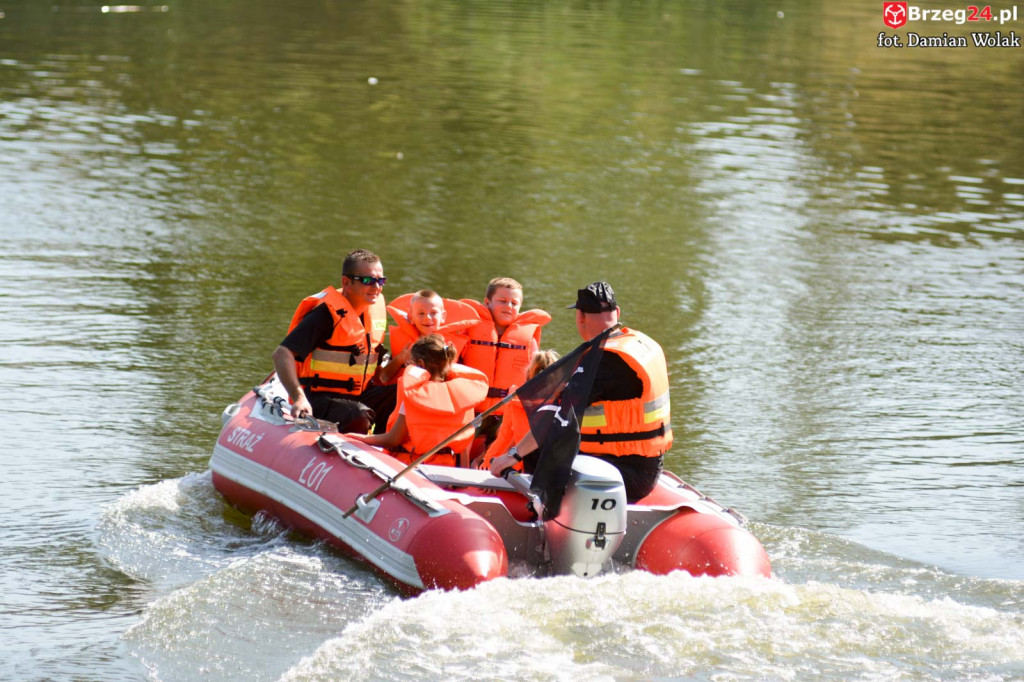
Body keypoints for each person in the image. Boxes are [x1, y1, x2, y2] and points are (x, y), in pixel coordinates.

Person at [491, 281, 672, 503]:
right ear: (617, 312)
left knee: (536, 450)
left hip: (625, 473)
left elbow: (557, 418)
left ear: (581, 318)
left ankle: (540, 516)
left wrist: (513, 455)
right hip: (649, 465)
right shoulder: (639, 342)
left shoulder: (603, 361)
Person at [271, 248, 395, 433]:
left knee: (402, 394)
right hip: (319, 399)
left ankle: (387, 445)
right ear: (346, 282)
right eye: (368, 280)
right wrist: (298, 398)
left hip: (358, 395)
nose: (376, 287)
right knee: (358, 415)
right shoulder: (326, 315)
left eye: (380, 280)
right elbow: (281, 354)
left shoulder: (373, 311)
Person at [347, 335, 489, 467]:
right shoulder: (463, 397)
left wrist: (358, 438)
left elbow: (393, 439)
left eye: (411, 363)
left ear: (420, 363)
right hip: (447, 466)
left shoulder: (415, 396)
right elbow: (464, 450)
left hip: (411, 466)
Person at [476, 350, 560, 472]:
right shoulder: (565, 403)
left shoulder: (516, 403)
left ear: (529, 376)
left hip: (519, 471)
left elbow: (503, 439)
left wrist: (488, 465)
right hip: (550, 472)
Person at [377, 289, 480, 385]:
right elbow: (384, 378)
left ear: (443, 316)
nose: (427, 317)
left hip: (435, 398)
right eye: (421, 313)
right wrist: (400, 359)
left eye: (433, 313)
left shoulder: (450, 348)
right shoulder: (405, 347)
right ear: (411, 317)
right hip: (403, 396)